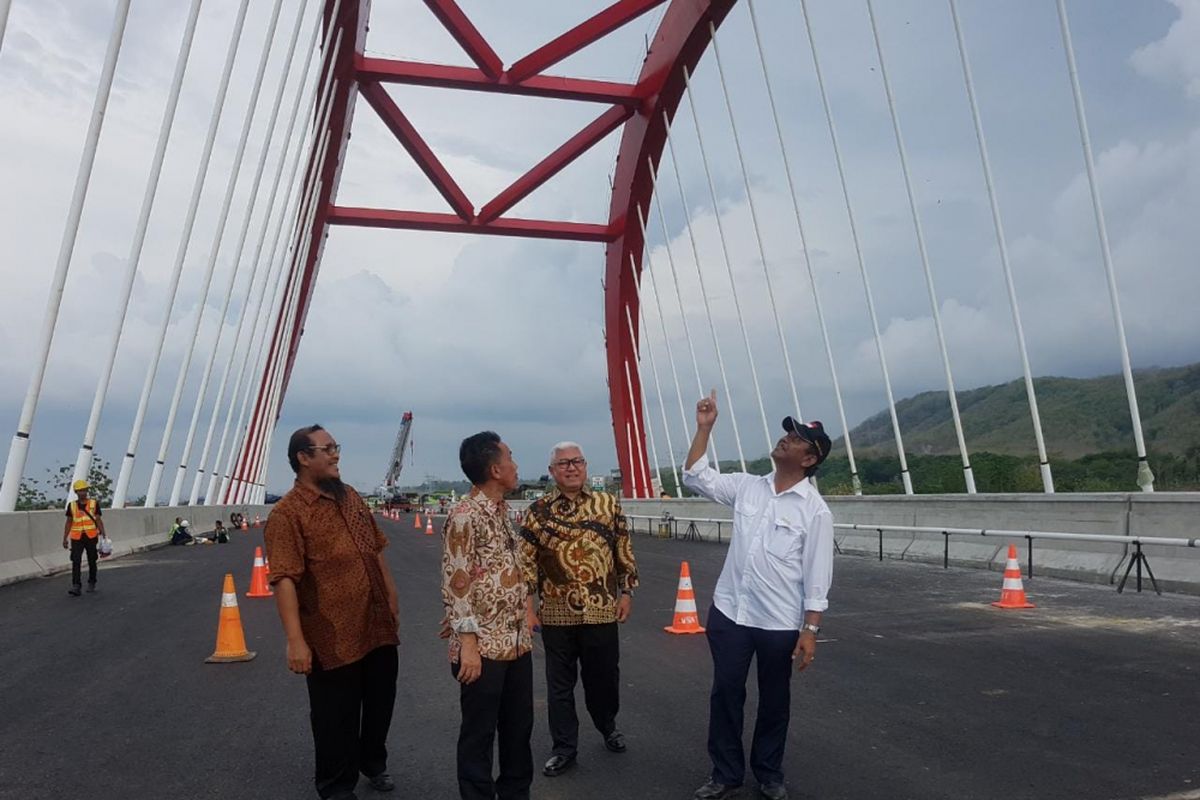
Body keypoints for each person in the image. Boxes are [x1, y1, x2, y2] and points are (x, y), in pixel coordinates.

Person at [683, 391, 834, 800]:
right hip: (731, 614)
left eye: (798, 438)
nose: (786, 438)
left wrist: (810, 630)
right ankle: (725, 772)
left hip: (779, 623)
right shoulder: (748, 488)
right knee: (726, 692)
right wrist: (705, 428)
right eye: (788, 432)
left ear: (809, 459)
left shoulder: (815, 511)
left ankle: (769, 773)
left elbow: (817, 575)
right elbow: (695, 476)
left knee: (775, 699)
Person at [265, 425, 401, 800]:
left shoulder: (352, 497)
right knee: (334, 716)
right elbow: (284, 579)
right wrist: (295, 641)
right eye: (327, 449)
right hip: (330, 634)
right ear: (303, 458)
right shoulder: (288, 515)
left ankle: (373, 762)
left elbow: (375, 548)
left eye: (336, 447)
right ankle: (336, 786)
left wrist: (391, 597)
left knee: (380, 702)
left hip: (376, 623)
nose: (336, 455)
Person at [518, 441, 639, 777]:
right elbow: (526, 564)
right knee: (559, 685)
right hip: (556, 614)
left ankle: (607, 724)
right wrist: (529, 607)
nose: (571, 468)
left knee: (604, 679)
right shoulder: (538, 511)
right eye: (563, 463)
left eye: (577, 461)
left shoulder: (607, 504)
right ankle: (564, 747)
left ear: (585, 466)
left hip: (601, 611)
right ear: (552, 471)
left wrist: (626, 592)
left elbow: (623, 550)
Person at [441, 432, 534, 800]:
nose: (515, 465)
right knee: (479, 734)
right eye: (511, 457)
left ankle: (515, 793)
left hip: (515, 642)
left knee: (517, 729)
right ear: (496, 469)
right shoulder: (465, 516)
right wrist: (467, 644)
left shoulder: (501, 511)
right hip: (482, 648)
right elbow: (457, 580)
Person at [62, 479, 106, 596]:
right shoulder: (72, 506)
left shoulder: (93, 504)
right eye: (80, 490)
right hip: (77, 537)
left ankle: (92, 581)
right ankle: (76, 585)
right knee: (76, 561)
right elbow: (69, 522)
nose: (83, 493)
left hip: (91, 536)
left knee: (92, 560)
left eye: (84, 490)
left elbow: (98, 519)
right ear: (76, 492)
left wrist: (103, 533)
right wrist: (65, 538)